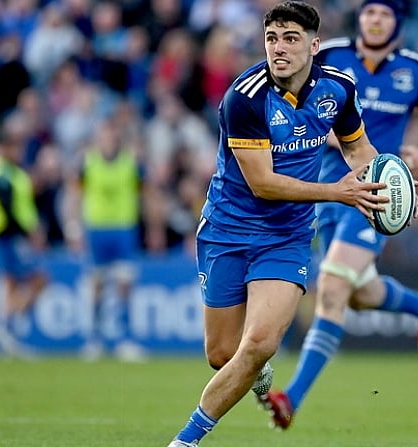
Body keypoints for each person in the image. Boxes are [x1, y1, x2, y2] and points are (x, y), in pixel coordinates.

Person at [166, 2, 399, 446]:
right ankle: (254, 375)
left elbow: (358, 150)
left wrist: (388, 183)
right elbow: (264, 184)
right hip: (227, 230)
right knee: (222, 354)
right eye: (272, 38)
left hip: (287, 237)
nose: (279, 48)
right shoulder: (244, 98)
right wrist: (339, 192)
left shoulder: (339, 89)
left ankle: (186, 441)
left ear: (314, 45)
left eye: (291, 38)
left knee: (260, 344)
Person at [260, 0, 418, 430]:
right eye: (370, 12)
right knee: (358, 292)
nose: (375, 19)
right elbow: (289, 97)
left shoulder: (416, 69)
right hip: (325, 187)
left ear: (397, 23)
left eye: (385, 14)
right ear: (360, 18)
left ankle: (291, 398)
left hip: (374, 188)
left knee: (330, 285)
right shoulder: (328, 54)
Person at [73, 120, 146, 361]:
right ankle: (94, 339)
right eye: (104, 136)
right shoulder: (88, 162)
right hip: (97, 229)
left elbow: (145, 192)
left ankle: (125, 338)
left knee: (125, 284)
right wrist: (73, 225)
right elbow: (76, 193)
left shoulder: (131, 162)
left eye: (111, 136)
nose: (108, 141)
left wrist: (153, 226)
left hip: (124, 228)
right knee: (97, 284)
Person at [0, 132, 48, 357]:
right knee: (33, 279)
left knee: (16, 283)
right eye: (14, 148)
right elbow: (7, 206)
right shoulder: (0, 171)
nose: (18, 153)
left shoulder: (17, 174)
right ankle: (4, 324)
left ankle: (7, 331)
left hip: (14, 235)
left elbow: (25, 205)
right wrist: (30, 231)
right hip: (7, 235)